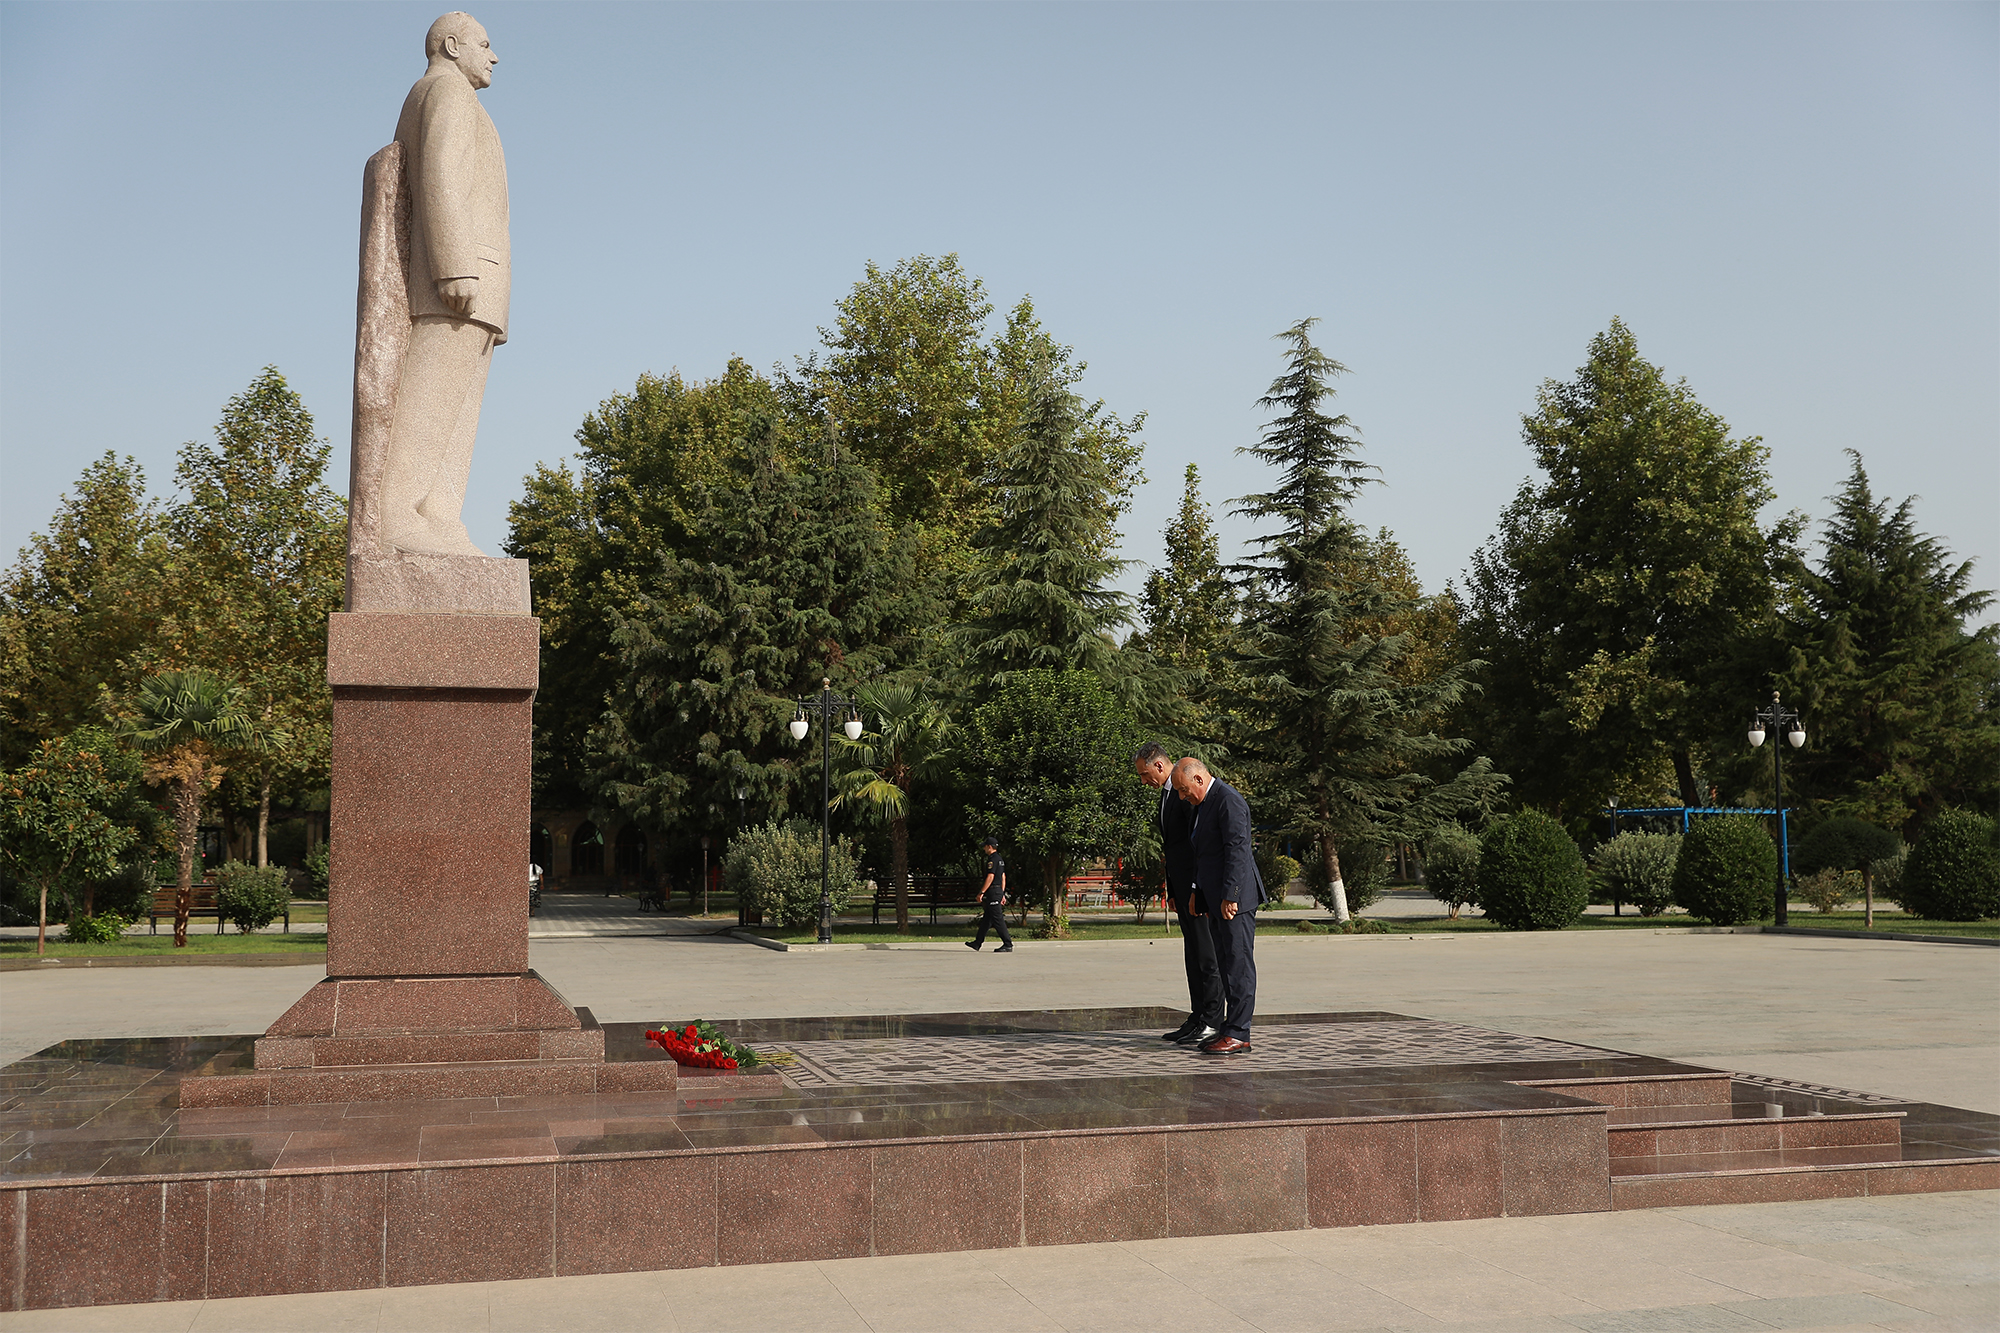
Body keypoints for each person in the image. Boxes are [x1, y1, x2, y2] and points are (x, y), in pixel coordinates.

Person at [378, 12, 511, 556]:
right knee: (430, 399)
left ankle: (437, 515)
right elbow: (441, 174)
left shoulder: (448, 95)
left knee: (456, 407)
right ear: (453, 46)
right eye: (485, 43)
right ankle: (397, 513)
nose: (494, 55)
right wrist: (454, 265)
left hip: (476, 283)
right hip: (458, 278)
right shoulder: (446, 91)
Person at [1171, 758, 1265, 1053]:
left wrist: (1231, 895)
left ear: (1199, 779)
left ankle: (1240, 1032)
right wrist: (1196, 891)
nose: (1184, 797)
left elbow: (1237, 850)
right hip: (1214, 897)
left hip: (1234, 899)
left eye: (1186, 791)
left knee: (1238, 963)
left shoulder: (1228, 801)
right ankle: (1228, 1027)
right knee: (1224, 962)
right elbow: (1203, 854)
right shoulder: (1204, 804)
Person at [1134, 742, 1223, 1047]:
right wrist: (1173, 890)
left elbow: (1198, 846)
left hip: (1197, 889)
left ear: (1159, 765)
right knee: (1193, 954)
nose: (1144, 781)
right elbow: (1172, 850)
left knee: (1207, 955)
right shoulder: (1167, 794)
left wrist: (1198, 888)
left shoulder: (1184, 795)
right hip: (1182, 889)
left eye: (1146, 774)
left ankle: (1213, 1020)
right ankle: (1197, 1016)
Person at [966, 837, 1014, 952]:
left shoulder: (992, 860)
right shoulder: (1000, 859)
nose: (984, 848)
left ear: (989, 847)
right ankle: (977, 942)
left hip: (993, 891)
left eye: (985, 846)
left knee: (997, 919)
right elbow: (1003, 877)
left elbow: (991, 876)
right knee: (987, 919)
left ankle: (1007, 943)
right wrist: (1002, 893)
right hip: (997, 891)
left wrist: (981, 892)